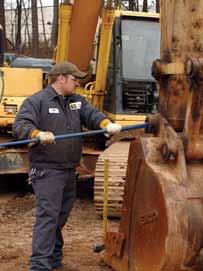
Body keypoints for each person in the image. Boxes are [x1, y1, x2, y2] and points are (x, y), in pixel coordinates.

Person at [13, 61, 122, 271]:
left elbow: (92, 114)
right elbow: (21, 125)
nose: (77, 84)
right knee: (48, 217)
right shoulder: (38, 101)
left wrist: (105, 124)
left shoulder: (75, 101)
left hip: (69, 169)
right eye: (74, 80)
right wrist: (37, 134)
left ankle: (54, 258)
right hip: (47, 170)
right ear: (61, 79)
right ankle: (40, 265)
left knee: (59, 216)